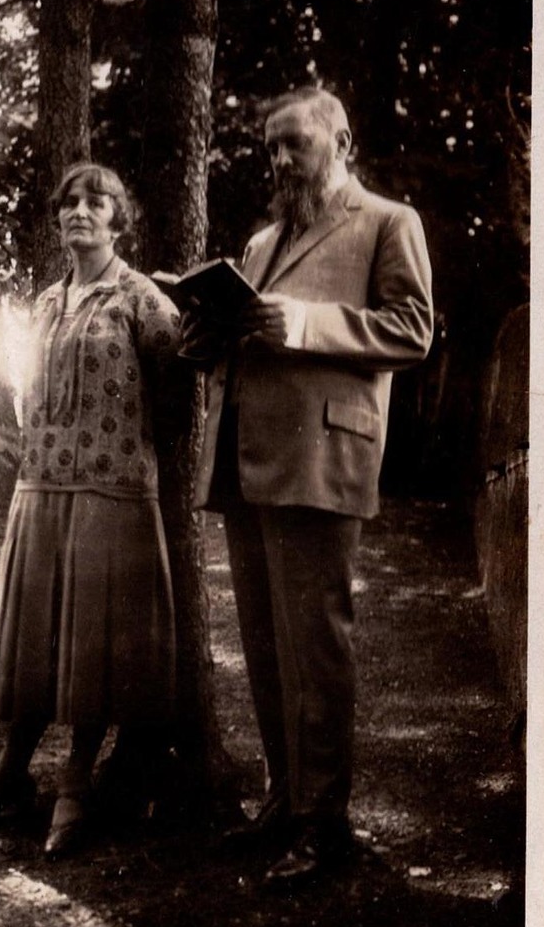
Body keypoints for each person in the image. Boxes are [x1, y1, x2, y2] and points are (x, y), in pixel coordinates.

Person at [186, 86, 434, 885]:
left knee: (315, 648)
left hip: (322, 458)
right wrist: (202, 333)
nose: (281, 160)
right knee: (263, 645)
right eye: (271, 148)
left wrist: (303, 324)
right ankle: (281, 803)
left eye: (295, 142)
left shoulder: (388, 223)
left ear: (342, 140)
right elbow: (241, 334)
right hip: (246, 458)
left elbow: (411, 330)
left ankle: (323, 827)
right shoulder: (259, 243)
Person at [0, 162, 181, 858]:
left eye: (96, 200)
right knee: (35, 642)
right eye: (69, 202)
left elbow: (176, 394)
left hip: (111, 490)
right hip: (40, 487)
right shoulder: (46, 302)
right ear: (57, 219)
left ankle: (76, 784)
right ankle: (8, 776)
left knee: (92, 646)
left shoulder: (143, 299)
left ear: (118, 218)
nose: (80, 210)